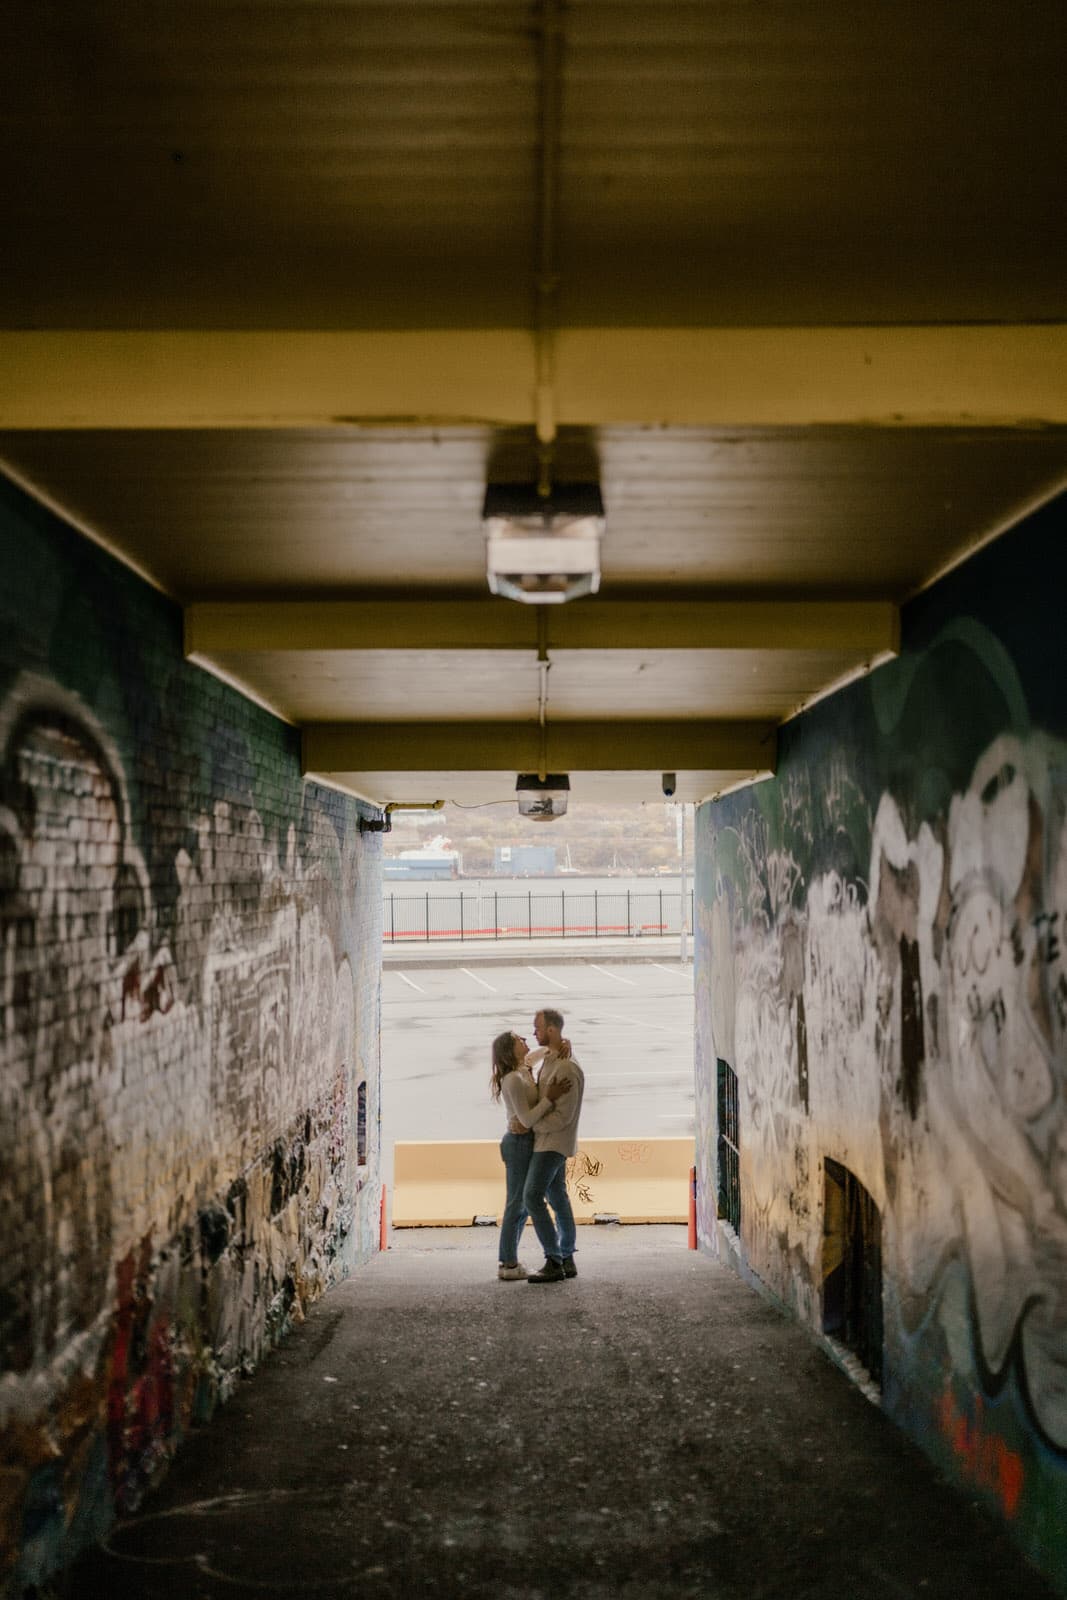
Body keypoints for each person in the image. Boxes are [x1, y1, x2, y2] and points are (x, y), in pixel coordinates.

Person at [490, 1030, 571, 1281]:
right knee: (516, 1203)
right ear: (509, 1049)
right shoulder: (513, 1079)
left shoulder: (523, 1067)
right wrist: (550, 1098)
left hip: (525, 1140)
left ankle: (509, 1261)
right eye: (519, 1040)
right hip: (518, 1143)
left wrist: (559, 1046)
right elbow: (525, 1120)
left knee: (522, 1204)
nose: (525, 1041)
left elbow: (539, 1053)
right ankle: (508, 1263)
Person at [516, 1008, 585, 1285]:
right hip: (548, 1141)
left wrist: (530, 1125)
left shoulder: (566, 1067)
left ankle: (554, 1259)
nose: (534, 1033)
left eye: (538, 1028)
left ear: (552, 1030)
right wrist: (564, 1044)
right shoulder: (551, 1057)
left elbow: (562, 1117)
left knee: (531, 1196)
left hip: (552, 1143)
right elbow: (527, 1058)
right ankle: (566, 1256)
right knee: (557, 1197)